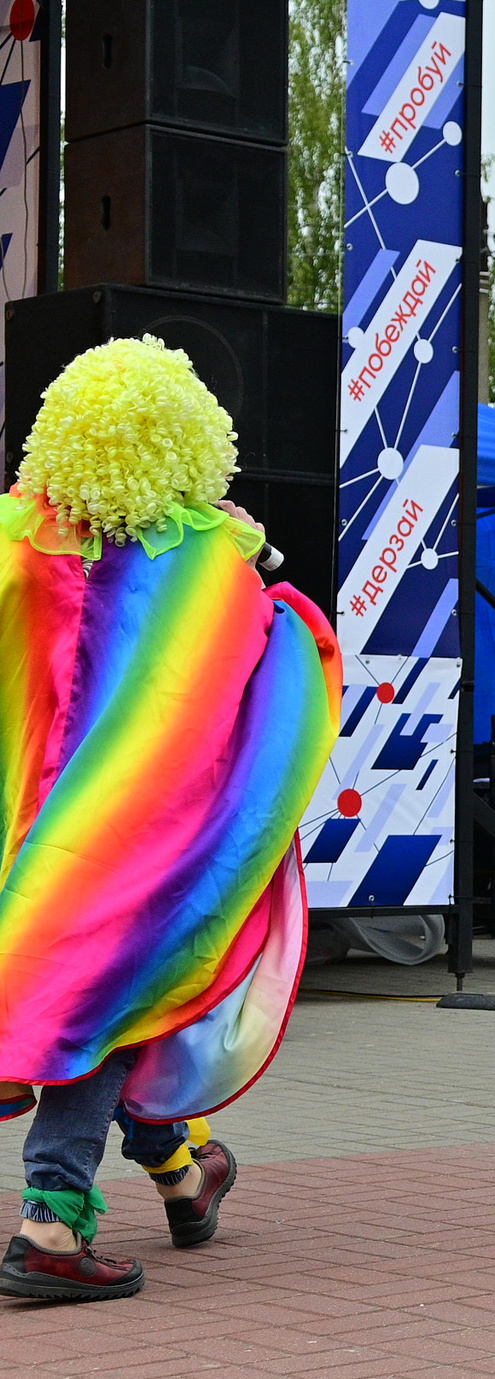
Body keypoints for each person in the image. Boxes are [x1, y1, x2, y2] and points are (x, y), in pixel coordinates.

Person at [0, 338, 340, 1301]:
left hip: (31, 829)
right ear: (189, 440)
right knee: (96, 1000)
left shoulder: (13, 544)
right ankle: (52, 1222)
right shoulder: (204, 559)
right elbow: (276, 651)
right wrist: (255, 548)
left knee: (114, 992)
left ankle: (183, 1174)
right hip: (136, 833)